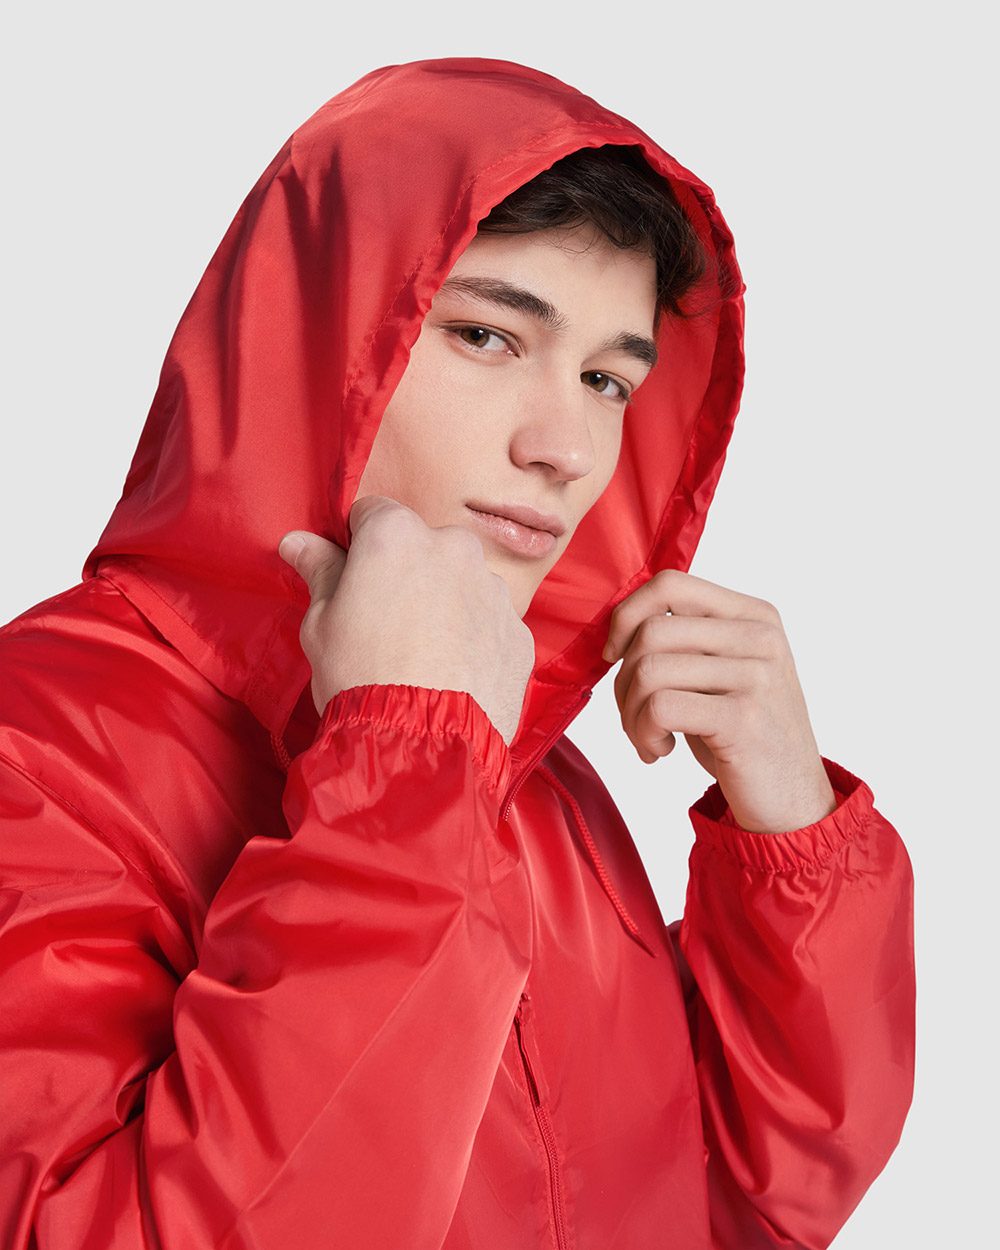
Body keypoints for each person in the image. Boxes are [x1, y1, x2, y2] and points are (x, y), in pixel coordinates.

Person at [0, 58, 914, 1249]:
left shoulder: (530, 776)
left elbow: (739, 1208)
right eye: (487, 335)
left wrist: (789, 839)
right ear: (316, 339)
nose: (566, 446)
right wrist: (402, 775)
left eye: (606, 379)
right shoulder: (38, 746)